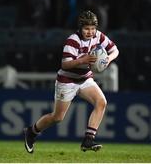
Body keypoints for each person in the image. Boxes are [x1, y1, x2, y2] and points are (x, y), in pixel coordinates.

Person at [24, 10, 119, 153]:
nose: (90, 31)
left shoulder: (98, 36)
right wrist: (83, 60)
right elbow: (65, 64)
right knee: (57, 117)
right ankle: (31, 132)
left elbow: (115, 50)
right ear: (80, 28)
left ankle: (88, 139)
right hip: (67, 80)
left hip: (85, 78)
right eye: (87, 28)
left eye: (92, 28)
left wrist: (107, 60)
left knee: (101, 102)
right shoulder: (73, 40)